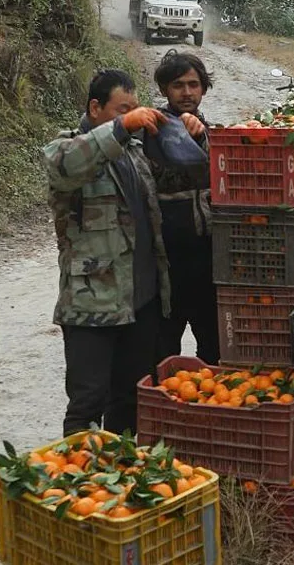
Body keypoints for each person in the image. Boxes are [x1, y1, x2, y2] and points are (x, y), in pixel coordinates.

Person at [43, 69, 172, 437]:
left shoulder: (134, 152)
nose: (129, 117)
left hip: (139, 301)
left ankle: (121, 479)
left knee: (131, 400)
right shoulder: (67, 150)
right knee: (87, 406)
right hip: (92, 306)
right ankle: (82, 486)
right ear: (95, 108)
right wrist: (122, 127)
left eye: (133, 109)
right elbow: (64, 167)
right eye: (121, 110)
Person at [145, 51, 220, 364]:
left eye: (193, 84)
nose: (187, 92)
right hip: (165, 265)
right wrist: (179, 136)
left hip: (208, 261)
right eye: (178, 85)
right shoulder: (149, 132)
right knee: (161, 352)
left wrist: (203, 139)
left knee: (214, 350)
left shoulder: (215, 133)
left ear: (203, 88)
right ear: (164, 89)